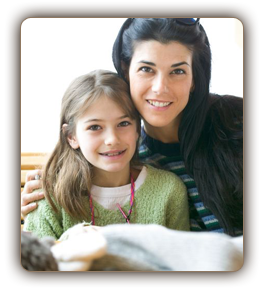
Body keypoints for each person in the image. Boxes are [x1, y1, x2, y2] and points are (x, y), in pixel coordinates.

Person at [21, 18, 243, 237]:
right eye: (147, 69)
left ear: (195, 78)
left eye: (177, 71)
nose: (160, 88)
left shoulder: (238, 123)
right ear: (126, 71)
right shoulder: (125, 157)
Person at [23, 69, 190, 239]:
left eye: (123, 123)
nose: (112, 139)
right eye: (95, 127)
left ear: (137, 129)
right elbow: (36, 260)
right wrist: (74, 239)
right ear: (71, 136)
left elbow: (181, 260)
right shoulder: (49, 196)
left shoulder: (168, 190)